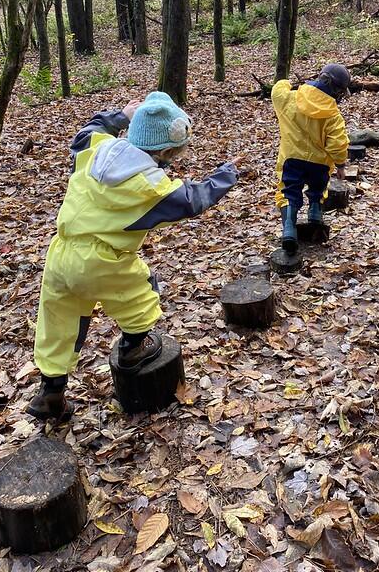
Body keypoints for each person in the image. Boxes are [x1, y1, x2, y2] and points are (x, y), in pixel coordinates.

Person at [27, 91, 239, 421]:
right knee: (140, 291)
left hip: (60, 254)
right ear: (167, 151)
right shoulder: (151, 185)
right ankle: (133, 347)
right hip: (104, 260)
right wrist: (226, 175)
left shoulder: (95, 148)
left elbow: (90, 128)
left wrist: (122, 115)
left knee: (59, 319)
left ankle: (51, 391)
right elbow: (192, 199)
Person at [271, 63, 350, 255]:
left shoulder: (289, 99)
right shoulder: (333, 114)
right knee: (318, 189)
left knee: (289, 192)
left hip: (291, 160)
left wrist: (285, 82)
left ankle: (289, 229)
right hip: (319, 164)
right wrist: (340, 164)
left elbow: (276, 91)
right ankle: (315, 216)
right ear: (338, 91)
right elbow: (337, 143)